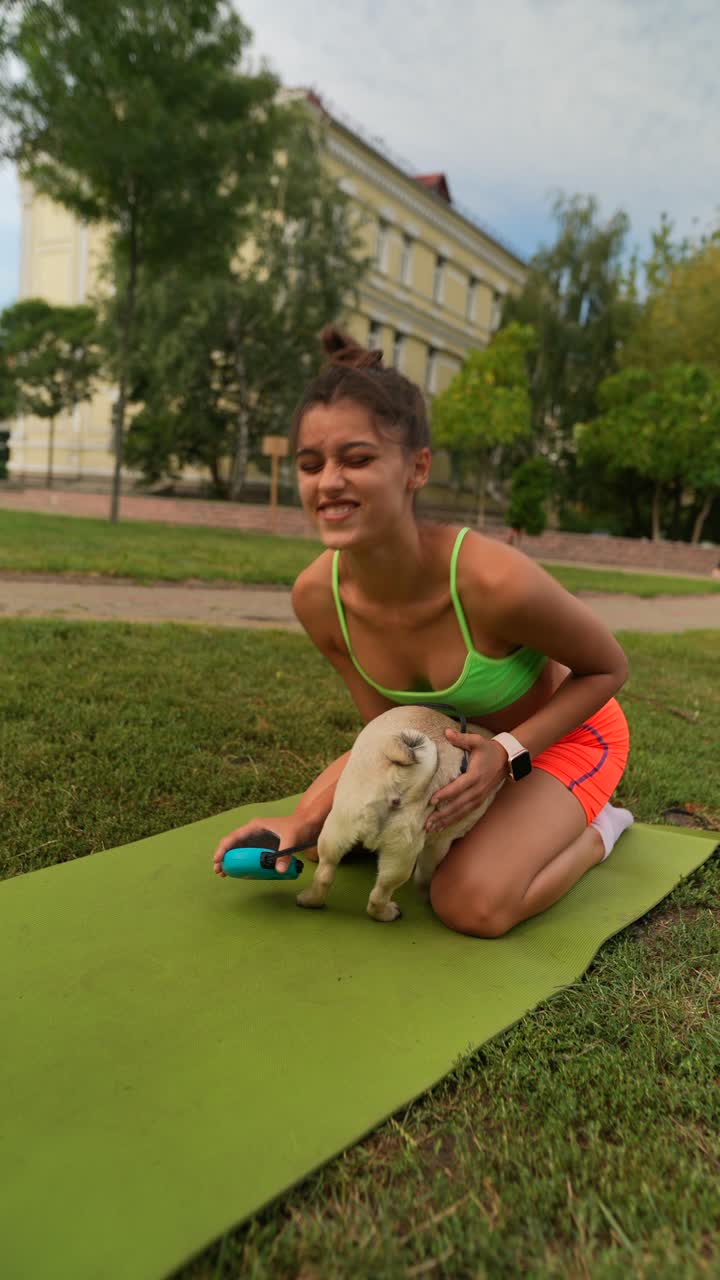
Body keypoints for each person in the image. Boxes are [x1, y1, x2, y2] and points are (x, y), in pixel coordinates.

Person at [213, 327, 634, 937]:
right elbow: (391, 730)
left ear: (417, 468)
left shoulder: (492, 580)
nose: (328, 482)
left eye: (357, 459)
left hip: (568, 737)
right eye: (311, 464)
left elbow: (609, 667)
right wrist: (302, 822)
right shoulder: (318, 598)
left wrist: (508, 754)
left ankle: (601, 830)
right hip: (461, 746)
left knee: (470, 903)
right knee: (355, 841)